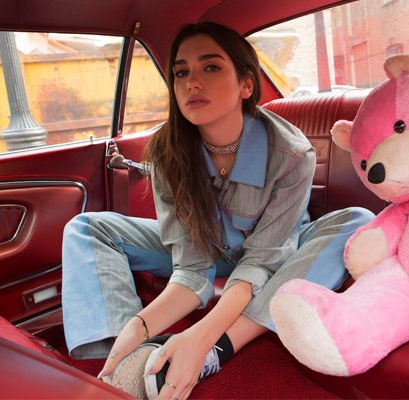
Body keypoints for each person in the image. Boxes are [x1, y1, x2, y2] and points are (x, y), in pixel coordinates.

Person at [61, 21, 374, 400]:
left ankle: (223, 347)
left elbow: (261, 262)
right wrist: (139, 326)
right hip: (206, 250)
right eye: (181, 73)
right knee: (87, 227)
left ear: (246, 85)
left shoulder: (291, 153)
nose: (192, 83)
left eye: (210, 67)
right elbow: (192, 268)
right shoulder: (166, 153)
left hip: (276, 255)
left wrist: (203, 336)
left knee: (357, 222)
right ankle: (121, 357)